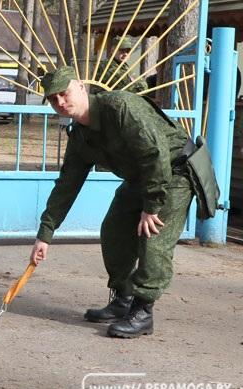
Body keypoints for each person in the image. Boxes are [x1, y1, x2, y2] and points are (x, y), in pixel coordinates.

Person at [30, 65, 195, 339]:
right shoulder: (81, 136)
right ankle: (124, 299)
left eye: (64, 92)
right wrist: (45, 234)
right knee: (114, 230)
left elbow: (155, 155)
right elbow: (66, 185)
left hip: (174, 172)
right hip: (142, 177)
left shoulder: (120, 107)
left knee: (152, 238)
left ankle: (143, 312)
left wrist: (151, 207)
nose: (60, 102)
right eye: (52, 98)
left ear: (81, 87)